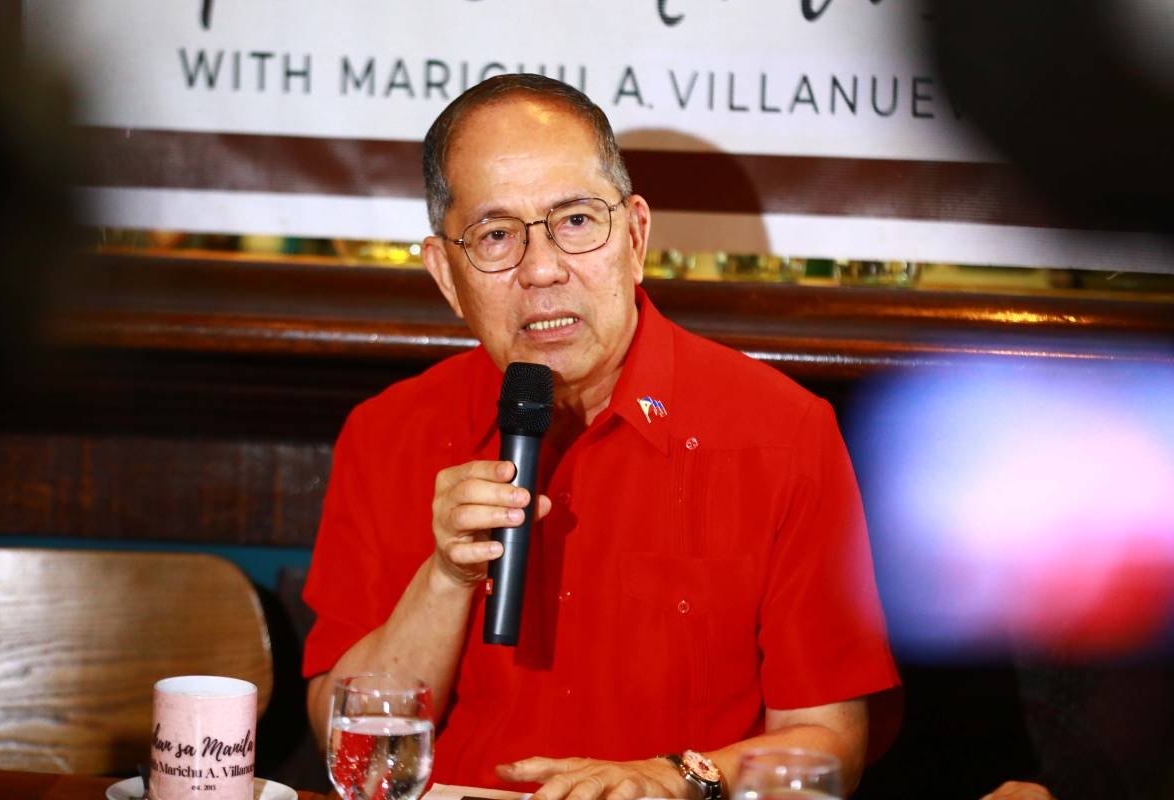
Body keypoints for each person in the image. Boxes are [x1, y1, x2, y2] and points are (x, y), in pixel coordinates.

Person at [301, 73, 900, 799]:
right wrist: (446, 577)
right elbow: (352, 752)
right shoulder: (388, 432)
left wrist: (674, 779)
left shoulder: (783, 432)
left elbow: (832, 745)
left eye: (577, 221)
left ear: (636, 234)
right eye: (495, 236)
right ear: (447, 277)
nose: (544, 270)